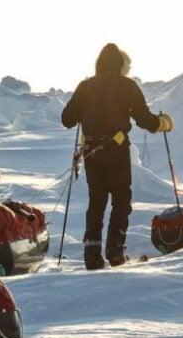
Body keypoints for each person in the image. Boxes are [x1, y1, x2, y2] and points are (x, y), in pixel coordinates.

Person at [61, 43, 173, 270]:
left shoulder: (86, 86)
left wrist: (81, 104)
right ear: (121, 64)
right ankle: (115, 252)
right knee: (121, 202)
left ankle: (92, 256)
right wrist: (163, 123)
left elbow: (67, 120)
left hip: (92, 153)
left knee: (97, 202)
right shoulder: (127, 86)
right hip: (117, 151)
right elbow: (144, 120)